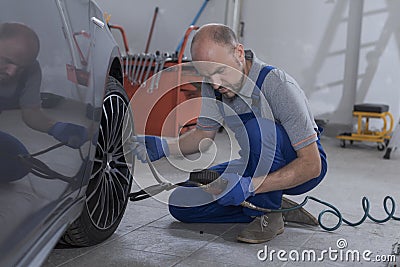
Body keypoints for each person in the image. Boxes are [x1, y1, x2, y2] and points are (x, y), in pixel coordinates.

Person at [132, 23, 327, 244]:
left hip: (300, 166)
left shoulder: (276, 85)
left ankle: (267, 213)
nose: (215, 84)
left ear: (239, 53)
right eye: (207, 76)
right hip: (252, 164)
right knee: (182, 203)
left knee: (258, 130)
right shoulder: (214, 85)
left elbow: (312, 165)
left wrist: (250, 186)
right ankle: (274, 206)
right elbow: (202, 138)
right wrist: (164, 146)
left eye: (220, 72)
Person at [0, 22, 87, 149]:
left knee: (18, 159)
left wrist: (56, 127)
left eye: (21, 68)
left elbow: (31, 112)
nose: (11, 72)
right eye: (7, 61)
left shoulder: (31, 70)